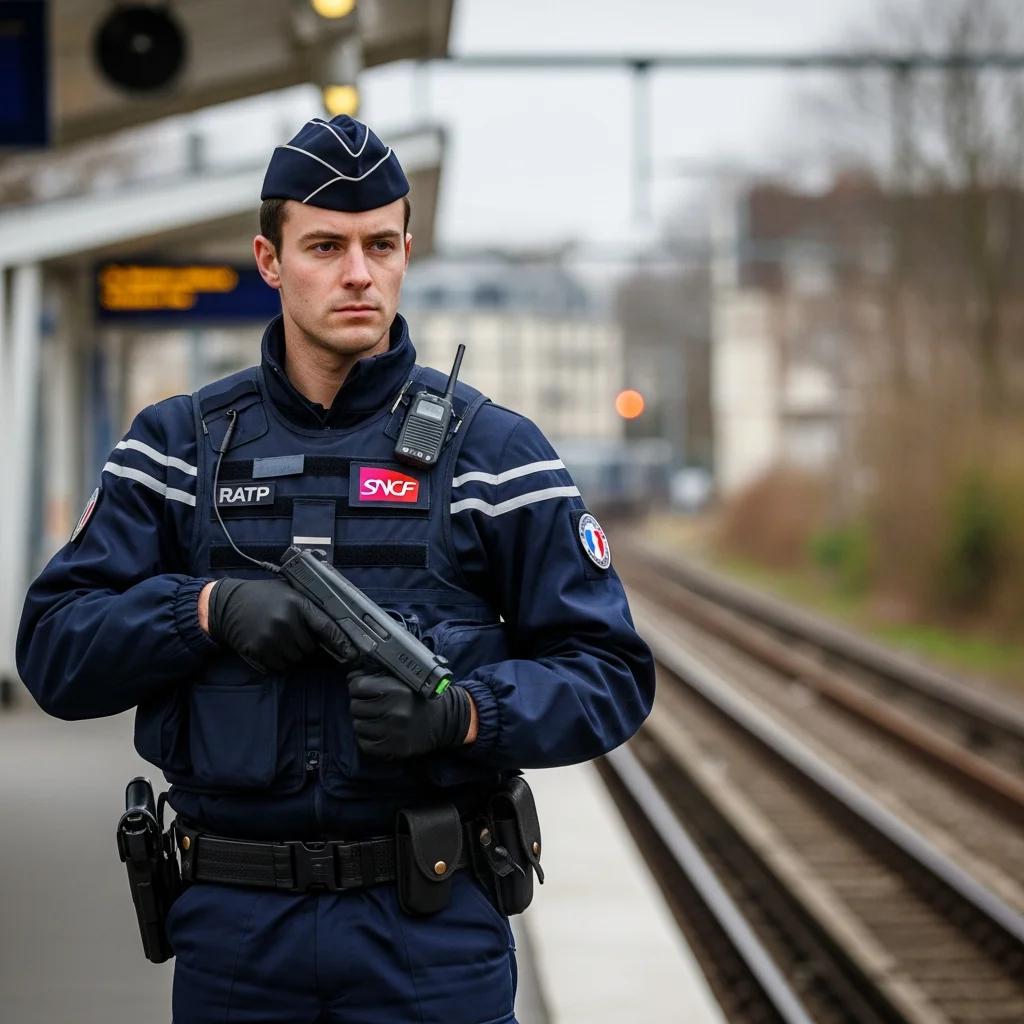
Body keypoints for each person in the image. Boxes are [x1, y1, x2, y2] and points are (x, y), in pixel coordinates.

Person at [17, 114, 655, 1024]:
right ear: (269, 261)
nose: (359, 273)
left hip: (430, 934)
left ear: (405, 250)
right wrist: (202, 610)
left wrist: (463, 715)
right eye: (325, 245)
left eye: (380, 244)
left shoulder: (496, 455)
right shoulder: (176, 449)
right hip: (234, 937)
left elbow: (612, 674)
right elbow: (51, 652)